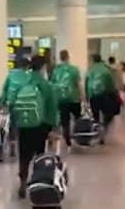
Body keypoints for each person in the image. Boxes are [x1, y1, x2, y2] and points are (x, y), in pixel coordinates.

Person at [12, 56, 59, 198]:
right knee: (39, 154)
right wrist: (53, 129)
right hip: (41, 125)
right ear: (44, 67)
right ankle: (37, 181)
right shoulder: (46, 85)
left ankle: (23, 179)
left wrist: (15, 123)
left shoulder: (22, 83)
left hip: (24, 124)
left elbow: (13, 103)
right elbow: (52, 108)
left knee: (24, 154)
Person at [50, 50, 86, 146]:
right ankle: (80, 135)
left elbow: (52, 85)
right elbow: (78, 84)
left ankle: (67, 138)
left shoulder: (56, 70)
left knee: (64, 120)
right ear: (68, 57)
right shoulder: (74, 69)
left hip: (61, 98)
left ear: (60, 57)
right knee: (77, 117)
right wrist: (83, 97)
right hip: (73, 98)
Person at [86, 54, 119, 142]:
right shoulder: (106, 70)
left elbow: (86, 82)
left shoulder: (90, 70)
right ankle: (104, 128)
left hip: (93, 95)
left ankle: (98, 130)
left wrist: (86, 96)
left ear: (93, 60)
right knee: (108, 114)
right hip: (105, 95)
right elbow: (111, 84)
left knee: (95, 116)